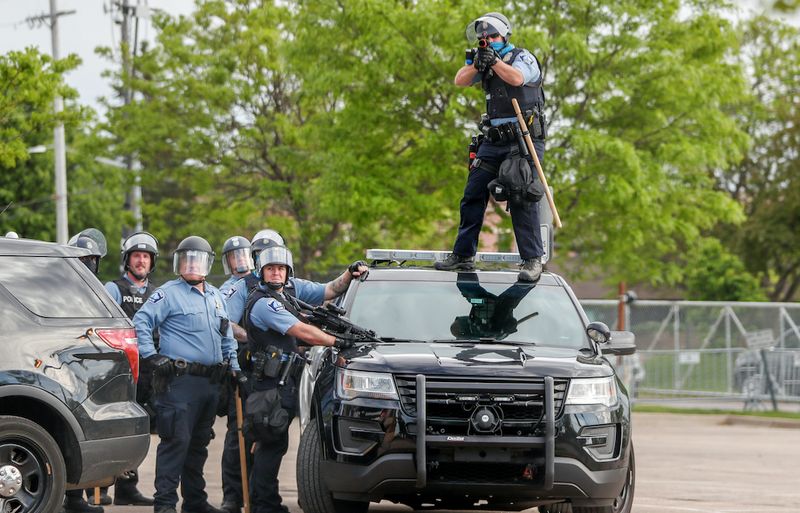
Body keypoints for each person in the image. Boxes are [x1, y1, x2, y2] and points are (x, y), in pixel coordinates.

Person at [243, 244, 368, 513]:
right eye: (270, 268)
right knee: (270, 444)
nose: (276, 273)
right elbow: (302, 331)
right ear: (261, 272)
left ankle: (266, 502)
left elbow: (329, 290)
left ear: (288, 272)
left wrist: (349, 274)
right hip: (269, 386)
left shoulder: (285, 296)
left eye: (281, 268)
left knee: (274, 444)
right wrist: (338, 341)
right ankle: (264, 505)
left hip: (281, 382)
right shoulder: (264, 303)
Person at [133, 236, 242, 513]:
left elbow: (226, 335)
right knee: (175, 443)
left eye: (197, 259)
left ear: (207, 263)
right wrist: (152, 356)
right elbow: (140, 321)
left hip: (210, 383)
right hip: (179, 383)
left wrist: (234, 367)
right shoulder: (168, 293)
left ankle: (195, 502)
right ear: (178, 263)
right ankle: (165, 504)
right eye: (187, 259)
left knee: (199, 445)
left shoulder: (216, 296)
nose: (192, 265)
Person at [435, 12, 547, 282]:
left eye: (494, 36)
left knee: (520, 195)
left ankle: (532, 260)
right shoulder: (482, 59)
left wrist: (495, 61)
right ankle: (463, 255)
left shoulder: (522, 57)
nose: (488, 41)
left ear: (505, 36)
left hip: (522, 140)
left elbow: (517, 78)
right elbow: (460, 80)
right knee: (473, 193)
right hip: (493, 140)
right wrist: (478, 63)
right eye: (484, 38)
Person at [93, 231, 160, 507]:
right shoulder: (113, 288)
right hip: (119, 370)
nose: (141, 261)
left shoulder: (157, 293)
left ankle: (127, 488)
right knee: (112, 428)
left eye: (145, 256)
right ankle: (97, 487)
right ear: (127, 260)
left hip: (148, 370)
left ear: (152, 261)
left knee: (137, 429)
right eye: (136, 256)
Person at [65, 230, 109, 513]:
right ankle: (70, 498)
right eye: (83, 259)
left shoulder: (98, 291)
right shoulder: (61, 289)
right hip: (66, 368)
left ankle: (76, 498)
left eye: (92, 259)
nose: (88, 264)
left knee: (86, 433)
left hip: (93, 369)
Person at [217, 235, 254, 513]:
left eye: (244, 254)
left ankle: (260, 494)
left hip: (268, 369)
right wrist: (252, 339)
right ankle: (232, 496)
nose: (240, 260)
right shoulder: (227, 290)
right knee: (237, 432)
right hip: (240, 366)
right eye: (234, 255)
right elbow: (225, 323)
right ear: (227, 261)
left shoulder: (263, 282)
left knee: (266, 432)